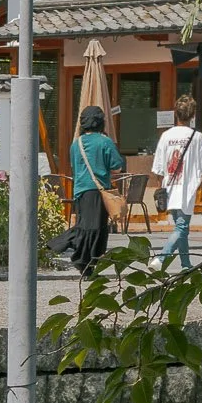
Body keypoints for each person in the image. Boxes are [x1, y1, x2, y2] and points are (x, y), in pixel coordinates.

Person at [151, 93, 202, 270]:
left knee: (182, 228)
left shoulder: (166, 136)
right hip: (186, 188)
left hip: (169, 187)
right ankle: (161, 258)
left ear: (175, 113)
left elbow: (158, 168)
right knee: (182, 227)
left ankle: (186, 264)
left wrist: (160, 188)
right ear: (193, 115)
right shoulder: (197, 137)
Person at [66, 102, 123, 278]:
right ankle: (87, 262)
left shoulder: (77, 144)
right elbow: (117, 167)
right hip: (99, 191)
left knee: (84, 225)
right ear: (101, 122)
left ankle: (85, 264)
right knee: (98, 228)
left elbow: (73, 167)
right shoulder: (105, 142)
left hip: (80, 191)